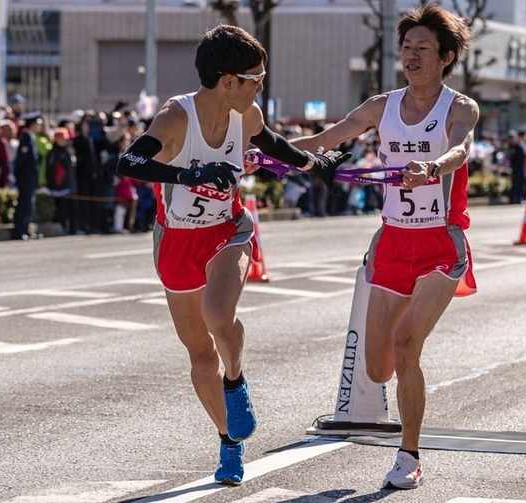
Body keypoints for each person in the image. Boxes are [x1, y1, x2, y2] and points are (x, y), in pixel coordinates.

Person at [113, 25, 350, 485]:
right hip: (177, 240)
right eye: (255, 78)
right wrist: (191, 173)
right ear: (228, 80)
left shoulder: (248, 114)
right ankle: (228, 441)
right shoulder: (176, 117)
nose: (260, 85)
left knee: (218, 315)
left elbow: (275, 145)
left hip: (228, 231)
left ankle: (236, 379)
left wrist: (316, 164)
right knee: (200, 354)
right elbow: (130, 163)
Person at [292, 4, 477, 490]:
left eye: (423, 49)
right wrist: (264, 150)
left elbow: (458, 150)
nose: (411, 57)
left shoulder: (460, 108)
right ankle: (405, 400)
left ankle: (409, 453)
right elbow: (327, 139)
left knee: (406, 346)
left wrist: (432, 168)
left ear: (446, 57)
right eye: (406, 48)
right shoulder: (382, 106)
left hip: (441, 242)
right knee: (378, 367)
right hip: (392, 241)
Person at [13, 113, 42, 240]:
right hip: (25, 178)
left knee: (30, 205)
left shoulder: (31, 137)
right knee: (24, 205)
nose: (40, 126)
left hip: (30, 178)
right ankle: (20, 231)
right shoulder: (25, 137)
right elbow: (21, 161)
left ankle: (28, 230)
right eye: (38, 124)